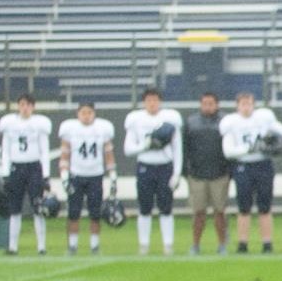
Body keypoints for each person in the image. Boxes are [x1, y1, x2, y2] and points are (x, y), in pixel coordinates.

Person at [220, 91, 282, 253]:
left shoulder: (262, 119)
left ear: (254, 104)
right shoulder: (232, 123)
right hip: (243, 166)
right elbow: (228, 151)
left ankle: (267, 243)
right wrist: (248, 148)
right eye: (243, 104)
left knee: (265, 207)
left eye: (249, 103)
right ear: (237, 106)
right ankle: (242, 243)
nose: (246, 107)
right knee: (244, 208)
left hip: (263, 165)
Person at [123, 88, 182, 255]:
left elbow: (178, 148)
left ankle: (168, 244)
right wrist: (146, 145)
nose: (152, 103)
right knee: (144, 207)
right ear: (144, 102)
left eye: (155, 100)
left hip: (165, 166)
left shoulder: (170, 119)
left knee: (166, 207)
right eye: (149, 100)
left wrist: (177, 173)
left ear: (160, 101)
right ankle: (144, 244)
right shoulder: (135, 120)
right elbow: (128, 149)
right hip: (145, 166)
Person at [0, 94, 54, 255]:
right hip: (16, 167)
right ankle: (13, 246)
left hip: (34, 168)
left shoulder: (39, 124)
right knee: (14, 209)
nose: (25, 108)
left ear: (33, 107)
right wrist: (6, 173)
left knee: (38, 207)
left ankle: (41, 246)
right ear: (18, 105)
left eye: (28, 105)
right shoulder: (9, 124)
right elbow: (6, 150)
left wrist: (46, 175)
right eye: (22, 104)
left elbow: (44, 151)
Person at [57, 101, 115, 255]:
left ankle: (95, 246)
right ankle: (72, 246)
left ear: (94, 114)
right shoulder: (70, 130)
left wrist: (113, 176)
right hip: (76, 175)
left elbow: (109, 155)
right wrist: (64, 176)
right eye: (83, 112)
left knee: (95, 213)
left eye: (89, 112)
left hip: (95, 175)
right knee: (73, 213)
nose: (86, 116)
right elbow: (64, 155)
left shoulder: (102, 129)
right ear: (78, 114)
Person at [183, 92, 232, 254]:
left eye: (211, 103)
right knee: (198, 212)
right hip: (197, 175)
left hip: (219, 174)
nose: (208, 106)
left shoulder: (226, 122)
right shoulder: (191, 122)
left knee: (220, 212)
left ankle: (222, 244)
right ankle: (195, 244)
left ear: (217, 104)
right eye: (205, 103)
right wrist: (187, 171)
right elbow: (185, 148)